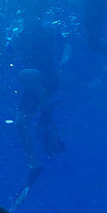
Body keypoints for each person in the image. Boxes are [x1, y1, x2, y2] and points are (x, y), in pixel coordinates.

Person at [9, 17, 65, 199]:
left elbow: (64, 42)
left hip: (48, 77)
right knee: (20, 123)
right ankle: (34, 164)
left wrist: (65, 61)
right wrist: (4, 40)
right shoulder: (19, 32)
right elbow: (6, 55)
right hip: (32, 84)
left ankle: (46, 111)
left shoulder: (48, 27)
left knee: (27, 73)